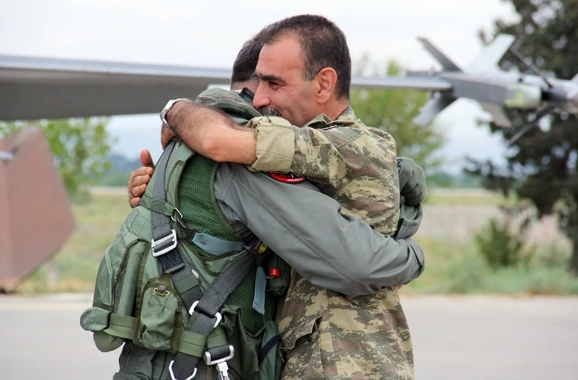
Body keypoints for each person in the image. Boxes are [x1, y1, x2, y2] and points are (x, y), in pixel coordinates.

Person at [130, 15, 425, 380]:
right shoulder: (315, 150)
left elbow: (219, 141)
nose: (260, 102)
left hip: (347, 363)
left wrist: (174, 109)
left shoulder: (340, 144)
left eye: (273, 83)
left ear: (323, 84)